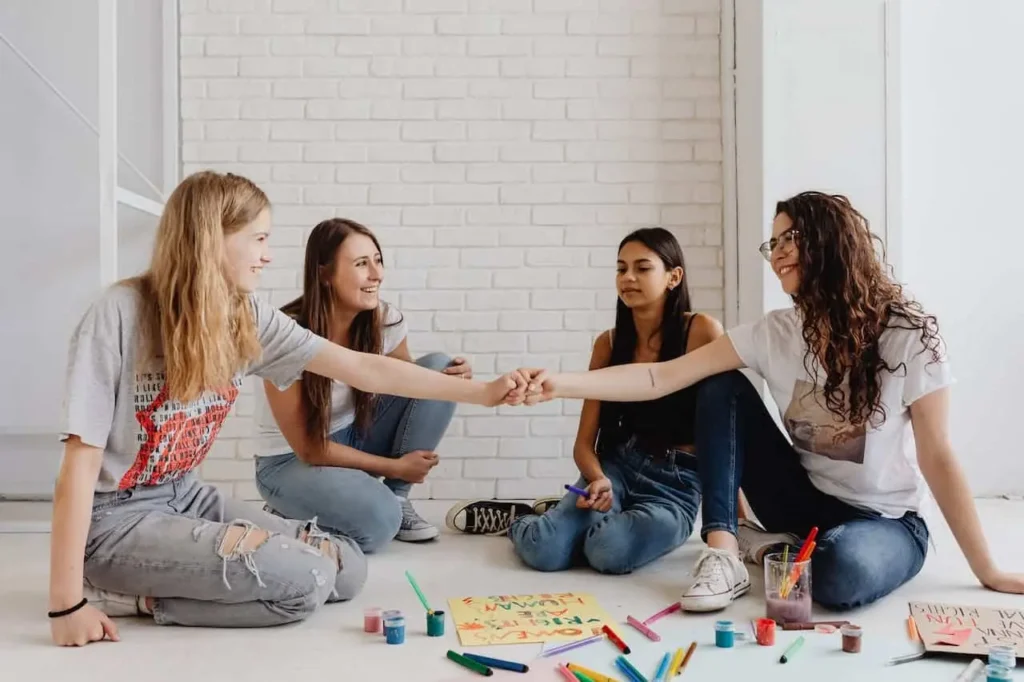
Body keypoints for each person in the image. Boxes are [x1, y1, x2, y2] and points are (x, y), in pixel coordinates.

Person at [50, 171, 526, 647]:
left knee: (347, 569)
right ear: (210, 238)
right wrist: (66, 605)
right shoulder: (118, 313)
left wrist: (483, 392)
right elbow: (80, 461)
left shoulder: (244, 314)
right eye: (258, 238)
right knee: (302, 584)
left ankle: (186, 574)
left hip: (184, 495)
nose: (268, 254)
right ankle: (125, 595)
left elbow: (366, 369)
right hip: (114, 519)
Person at [521, 191, 1024, 611]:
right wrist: (559, 383)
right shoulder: (775, 332)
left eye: (791, 237)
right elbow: (659, 377)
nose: (777, 250)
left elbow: (937, 454)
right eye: (774, 240)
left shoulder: (907, 335)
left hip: (883, 521)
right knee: (720, 385)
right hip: (799, 499)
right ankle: (725, 551)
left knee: (837, 574)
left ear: (831, 243)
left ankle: (789, 549)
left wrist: (988, 570)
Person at [445, 228, 723, 575]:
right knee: (544, 552)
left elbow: (727, 433)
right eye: (621, 269)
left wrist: (733, 525)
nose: (628, 278)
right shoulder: (608, 344)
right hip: (617, 469)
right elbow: (583, 445)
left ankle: (562, 520)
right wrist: (597, 479)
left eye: (643, 267)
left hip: (675, 487)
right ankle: (528, 521)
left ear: (673, 276)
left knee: (608, 552)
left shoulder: (702, 332)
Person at [255, 218, 470, 551]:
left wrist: (451, 382)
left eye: (378, 260)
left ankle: (397, 499)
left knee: (438, 369)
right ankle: (291, 509)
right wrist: (394, 466)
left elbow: (410, 387)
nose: (377, 274)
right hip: (290, 461)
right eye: (361, 264)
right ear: (324, 274)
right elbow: (310, 448)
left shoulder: (384, 320)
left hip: (355, 433)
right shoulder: (285, 335)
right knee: (378, 524)